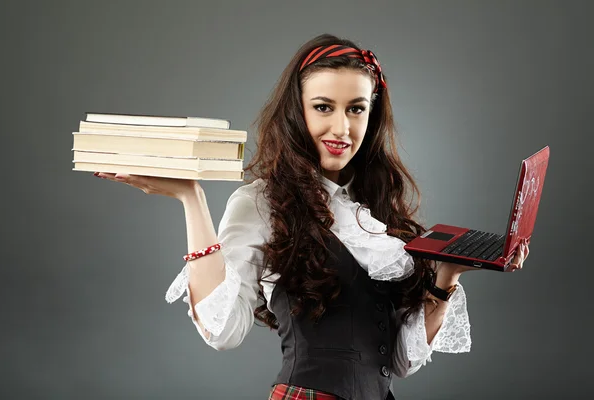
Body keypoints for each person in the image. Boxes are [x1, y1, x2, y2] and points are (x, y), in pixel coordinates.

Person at [93, 33, 530, 400]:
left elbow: (400, 363)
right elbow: (222, 331)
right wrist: (192, 199)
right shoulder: (262, 201)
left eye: (356, 109)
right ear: (296, 112)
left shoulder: (374, 209)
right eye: (324, 107)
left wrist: (446, 275)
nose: (341, 128)